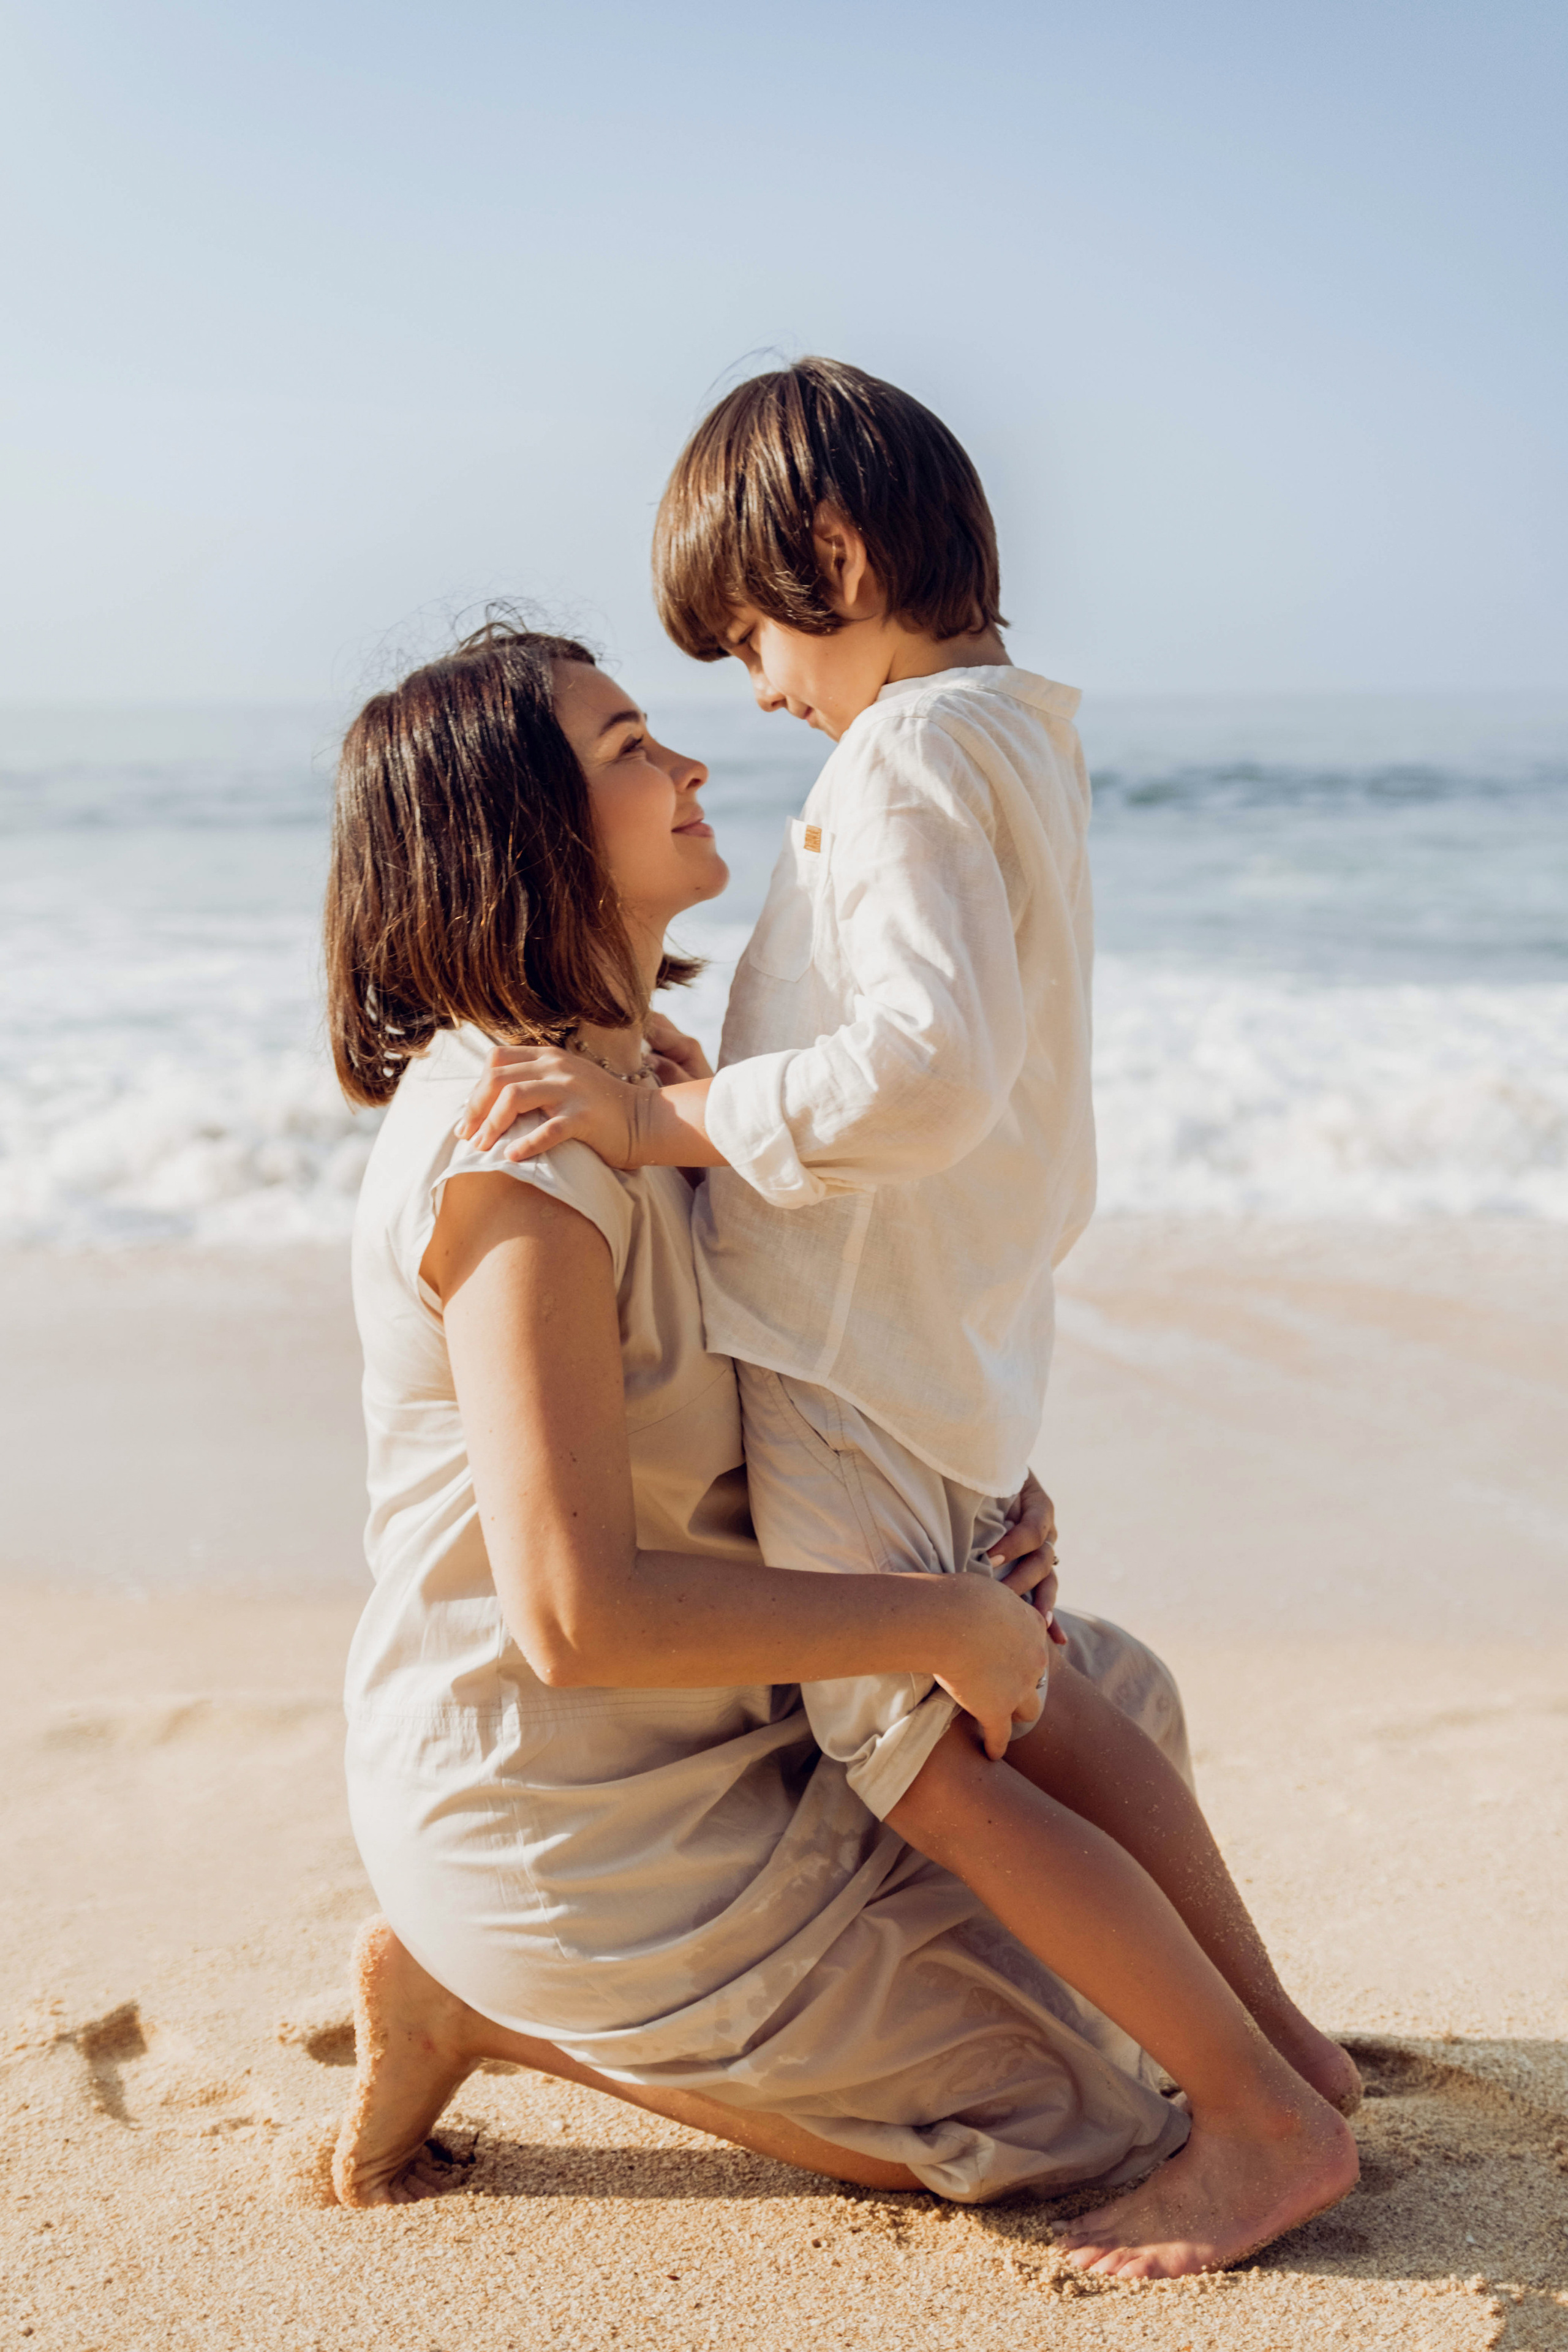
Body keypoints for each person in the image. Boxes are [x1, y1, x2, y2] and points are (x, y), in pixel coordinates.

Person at [454, 363, 1360, 2278]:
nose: (761, 695)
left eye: (753, 641)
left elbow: (925, 1073)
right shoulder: (1017, 737)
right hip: (957, 1324)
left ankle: (1264, 2121)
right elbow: (966, 1068)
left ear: (840, 558)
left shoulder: (908, 762)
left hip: (861, 1346)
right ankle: (1289, 2055)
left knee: (928, 1761)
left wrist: (664, 1117)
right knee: (1043, 1694)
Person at [325, 619, 1245, 2232]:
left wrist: (982, 1517)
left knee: (1114, 1698)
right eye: (626, 751)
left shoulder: (661, 1075)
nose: (688, 760)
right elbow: (572, 1615)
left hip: (750, 1724)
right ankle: (495, 2012)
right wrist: (939, 1614)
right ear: (519, 837)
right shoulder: (520, 1161)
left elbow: (819, 1359)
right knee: (1084, 2123)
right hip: (592, 1819)